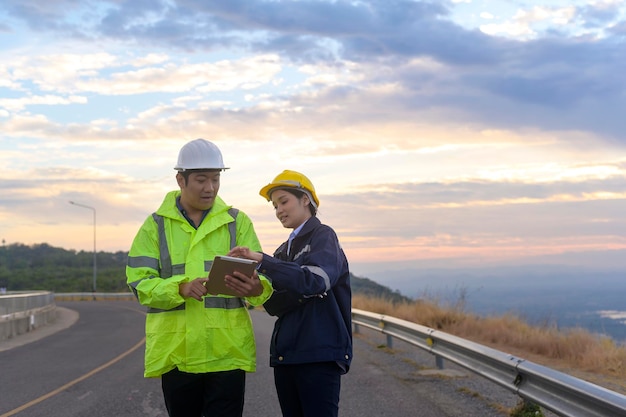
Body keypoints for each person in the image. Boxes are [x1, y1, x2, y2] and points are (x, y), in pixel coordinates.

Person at [126, 138, 274, 417]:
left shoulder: (236, 222)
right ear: (180, 179)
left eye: (216, 179)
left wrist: (256, 287)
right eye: (201, 180)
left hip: (226, 352)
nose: (210, 188)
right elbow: (139, 284)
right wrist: (180, 288)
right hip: (177, 353)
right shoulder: (154, 226)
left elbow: (263, 281)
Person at [227, 169, 352, 417]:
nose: (279, 211)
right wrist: (254, 289)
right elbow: (275, 306)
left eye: (283, 201)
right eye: (275, 206)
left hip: (319, 355)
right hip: (287, 357)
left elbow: (316, 281)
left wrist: (264, 261)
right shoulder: (283, 250)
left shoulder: (323, 235)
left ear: (305, 199)